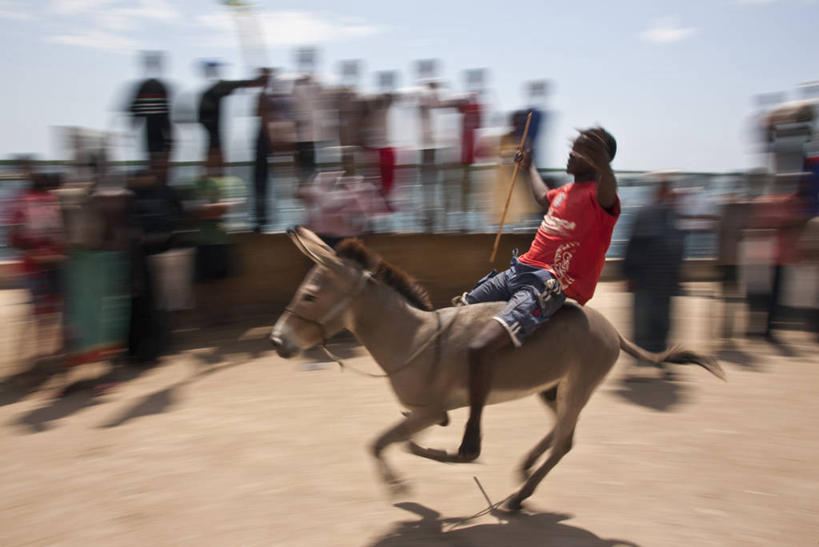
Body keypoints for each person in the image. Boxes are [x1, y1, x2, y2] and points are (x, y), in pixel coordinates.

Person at [453, 127, 619, 460]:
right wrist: (528, 166)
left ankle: (473, 431)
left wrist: (603, 163)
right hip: (517, 271)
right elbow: (543, 197)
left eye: (578, 151)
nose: (570, 154)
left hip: (545, 284)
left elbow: (608, 186)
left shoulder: (601, 198)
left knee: (481, 347)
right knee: (458, 313)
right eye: (572, 148)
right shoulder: (565, 192)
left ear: (595, 160)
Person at [623, 179, 685, 371]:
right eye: (668, 193)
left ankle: (660, 357)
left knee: (662, 322)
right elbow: (634, 246)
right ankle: (641, 357)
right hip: (646, 279)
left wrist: (677, 276)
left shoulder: (672, 217)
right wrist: (630, 274)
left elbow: (678, 250)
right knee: (643, 321)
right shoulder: (646, 214)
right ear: (659, 193)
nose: (671, 197)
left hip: (664, 280)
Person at [198, 63, 266, 173]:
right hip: (210, 120)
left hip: (209, 120)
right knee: (215, 146)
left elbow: (242, 84)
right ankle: (212, 172)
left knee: (214, 145)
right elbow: (243, 84)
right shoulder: (217, 88)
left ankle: (212, 171)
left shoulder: (215, 89)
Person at [128, 51, 173, 162]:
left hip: (151, 130)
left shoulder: (144, 86)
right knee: (158, 155)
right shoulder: (160, 86)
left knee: (153, 154)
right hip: (159, 129)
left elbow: (135, 112)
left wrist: (133, 126)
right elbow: (167, 112)